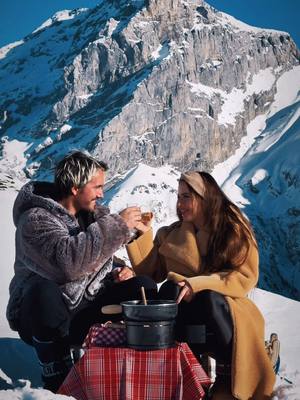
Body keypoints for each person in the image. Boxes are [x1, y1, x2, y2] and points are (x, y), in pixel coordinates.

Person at [6, 150, 157, 392]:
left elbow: (99, 256)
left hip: (84, 308)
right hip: (43, 315)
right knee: (42, 289)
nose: (101, 193)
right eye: (96, 186)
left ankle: (128, 364)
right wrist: (118, 225)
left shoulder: (94, 216)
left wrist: (120, 270)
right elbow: (68, 264)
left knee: (143, 287)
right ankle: (56, 370)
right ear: (75, 188)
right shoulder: (35, 220)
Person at [126, 171, 276, 399]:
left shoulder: (232, 228)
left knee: (209, 298)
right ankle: (191, 372)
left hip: (227, 308)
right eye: (178, 197)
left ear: (205, 197)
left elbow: (244, 277)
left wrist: (197, 284)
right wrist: (143, 235)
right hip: (189, 313)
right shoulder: (173, 234)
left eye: (186, 196)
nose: (179, 203)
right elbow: (152, 272)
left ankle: (229, 374)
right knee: (168, 290)